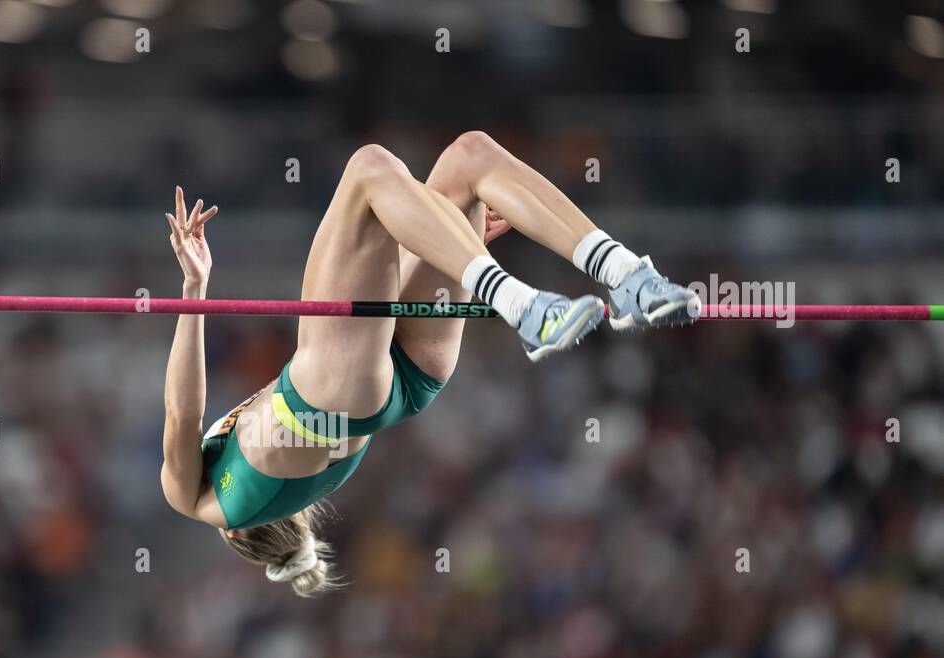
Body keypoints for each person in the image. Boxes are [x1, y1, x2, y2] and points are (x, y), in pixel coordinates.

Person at [160, 132, 699, 595]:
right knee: (368, 168)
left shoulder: (277, 483)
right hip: (332, 394)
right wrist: (193, 288)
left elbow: (370, 302)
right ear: (238, 534)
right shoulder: (203, 502)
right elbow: (184, 411)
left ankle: (629, 276)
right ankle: (518, 303)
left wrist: (443, 239)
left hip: (397, 385)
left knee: (469, 158)